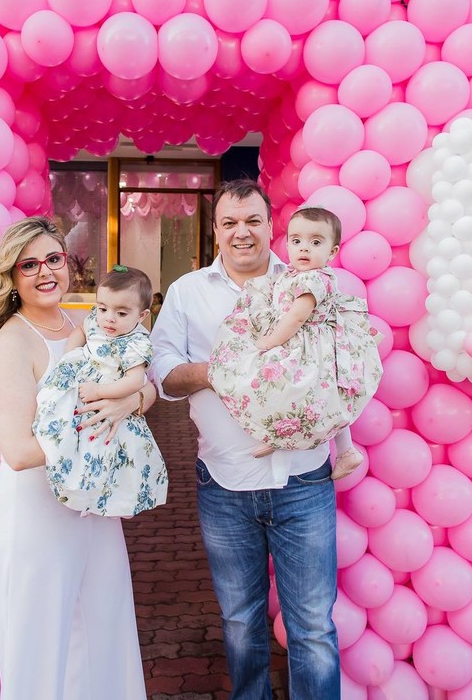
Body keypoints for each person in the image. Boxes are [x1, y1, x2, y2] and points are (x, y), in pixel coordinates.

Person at [150, 180, 341, 699]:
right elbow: (163, 373)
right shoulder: (189, 292)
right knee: (239, 622)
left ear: (271, 225)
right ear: (215, 230)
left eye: (253, 221)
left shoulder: (309, 281)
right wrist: (224, 370)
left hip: (304, 478)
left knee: (314, 629)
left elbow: (345, 358)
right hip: (225, 483)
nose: (242, 233)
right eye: (230, 222)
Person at [0, 216, 155, 700]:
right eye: (29, 264)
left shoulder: (88, 325)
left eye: (53, 259)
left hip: (94, 507)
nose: (45, 272)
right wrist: (103, 425)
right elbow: (18, 451)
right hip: (39, 510)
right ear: (12, 276)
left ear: (69, 263)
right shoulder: (13, 342)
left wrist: (129, 402)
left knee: (103, 627)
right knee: (43, 639)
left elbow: (146, 386)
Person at [208, 206, 381, 481]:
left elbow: (297, 317)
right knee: (289, 393)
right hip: (299, 343)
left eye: (316, 242)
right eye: (297, 241)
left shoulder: (315, 278)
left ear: (333, 252)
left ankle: (346, 451)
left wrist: (269, 341)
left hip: (307, 346)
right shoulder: (292, 275)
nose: (304, 249)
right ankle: (279, 433)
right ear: (287, 242)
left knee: (316, 396)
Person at [33, 265, 169, 517]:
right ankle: (76, 484)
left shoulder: (136, 342)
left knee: (104, 445)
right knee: (63, 420)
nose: (108, 318)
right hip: (84, 383)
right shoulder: (96, 320)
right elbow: (81, 330)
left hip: (108, 394)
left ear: (141, 316)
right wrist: (72, 355)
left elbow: (134, 381)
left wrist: (100, 390)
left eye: (121, 313)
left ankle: (98, 494)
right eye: (103, 308)